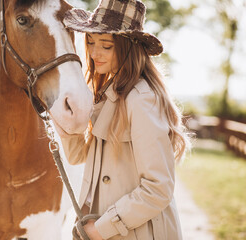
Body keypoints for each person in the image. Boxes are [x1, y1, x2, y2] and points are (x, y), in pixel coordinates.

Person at [55, 0, 191, 239]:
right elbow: (77, 156)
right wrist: (66, 121)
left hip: (136, 232)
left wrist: (101, 229)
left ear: (129, 47)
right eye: (91, 42)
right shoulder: (109, 92)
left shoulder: (141, 99)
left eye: (106, 46)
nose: (95, 53)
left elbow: (158, 188)